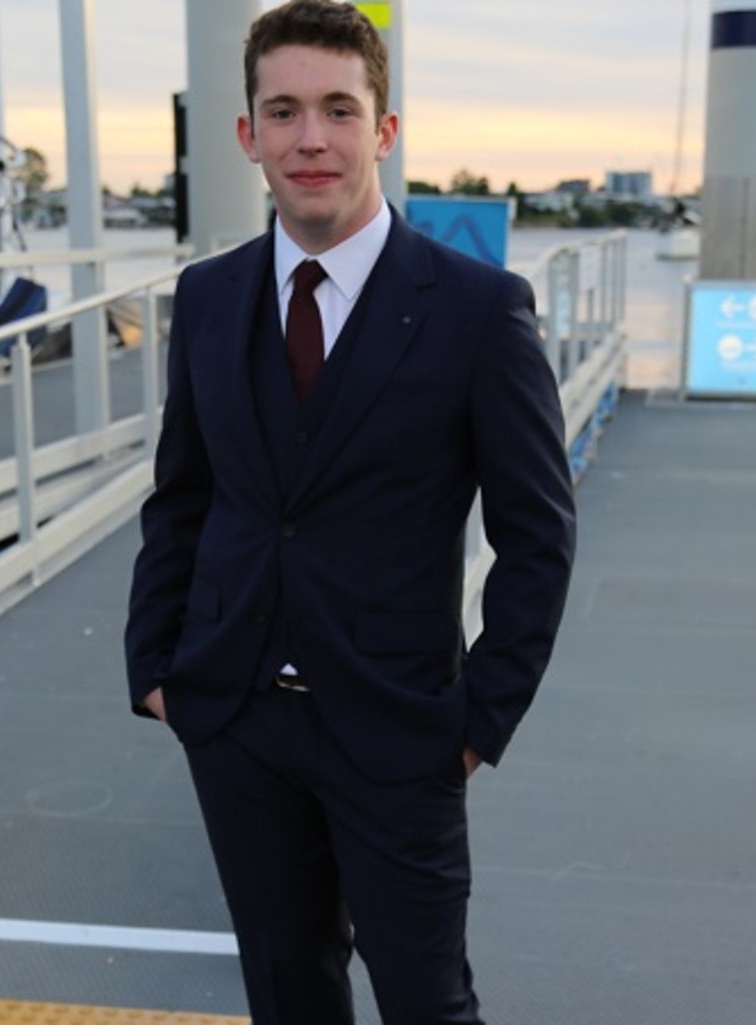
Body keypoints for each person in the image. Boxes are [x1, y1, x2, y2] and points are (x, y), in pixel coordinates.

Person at [125, 2, 576, 1022]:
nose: (311, 139)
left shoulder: (476, 310)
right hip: (235, 718)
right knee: (287, 994)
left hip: (399, 729)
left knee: (426, 1001)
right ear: (247, 136)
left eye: (338, 109)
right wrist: (155, 668)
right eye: (282, 112)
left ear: (385, 129)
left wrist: (476, 722)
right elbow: (184, 496)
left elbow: (537, 533)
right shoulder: (206, 297)